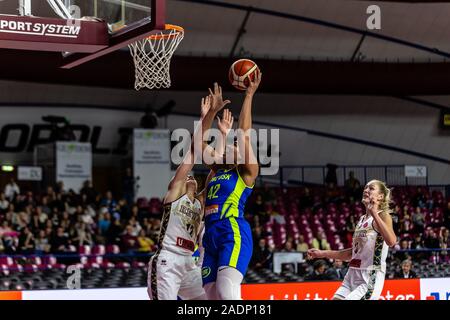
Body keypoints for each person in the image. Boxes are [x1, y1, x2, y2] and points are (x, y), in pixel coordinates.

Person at [147, 95, 225, 300]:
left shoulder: (199, 204)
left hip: (188, 264)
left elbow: (218, 171)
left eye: (192, 176)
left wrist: (224, 136)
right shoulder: (174, 196)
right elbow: (192, 153)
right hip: (168, 260)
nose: (189, 176)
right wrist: (205, 117)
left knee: (211, 297)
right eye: (185, 176)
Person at [200, 75, 261, 300]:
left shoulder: (246, 173)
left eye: (235, 146)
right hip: (210, 236)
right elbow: (200, 145)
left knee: (228, 293)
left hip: (232, 231)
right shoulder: (217, 170)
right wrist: (211, 113)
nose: (232, 146)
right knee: (211, 295)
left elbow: (244, 134)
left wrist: (248, 95)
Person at [307, 180, 397, 300]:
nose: (366, 190)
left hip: (369, 276)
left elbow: (391, 241)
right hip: (352, 274)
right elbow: (351, 254)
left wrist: (374, 212)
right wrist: (321, 253)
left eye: (371, 188)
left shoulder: (383, 215)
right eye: (365, 188)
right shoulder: (361, 219)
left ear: (380, 196)